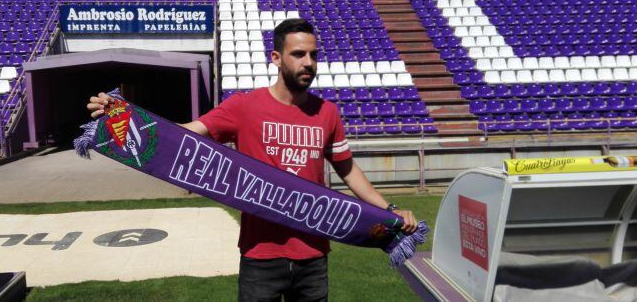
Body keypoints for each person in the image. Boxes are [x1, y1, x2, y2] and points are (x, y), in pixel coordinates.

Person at [87, 18, 417, 302]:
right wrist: (122, 119)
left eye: (314, 55)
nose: (309, 63)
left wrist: (388, 210)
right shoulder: (244, 106)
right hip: (260, 254)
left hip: (314, 253)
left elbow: (348, 169)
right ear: (276, 57)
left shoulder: (326, 112)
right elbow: (183, 134)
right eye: (299, 54)